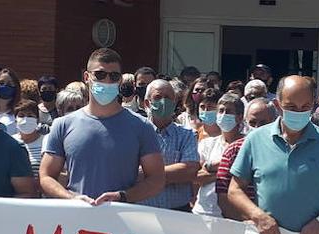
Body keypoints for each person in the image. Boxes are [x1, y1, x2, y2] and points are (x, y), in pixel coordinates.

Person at [228, 75, 319, 234]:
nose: (299, 112)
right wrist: (257, 216)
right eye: (291, 107)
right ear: (277, 105)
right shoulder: (255, 139)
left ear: (313, 106)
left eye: (305, 107)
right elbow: (234, 190)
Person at [40, 48, 165, 205]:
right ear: (87, 77)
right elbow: (46, 176)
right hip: (77, 215)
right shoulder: (63, 125)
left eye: (114, 76)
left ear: (120, 80)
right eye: (100, 75)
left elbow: (156, 179)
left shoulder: (142, 126)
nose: (107, 81)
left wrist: (123, 196)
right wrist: (71, 198)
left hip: (122, 217)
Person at [138, 79, 200, 212]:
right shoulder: (135, 134)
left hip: (178, 211)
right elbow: (128, 172)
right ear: (147, 103)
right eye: (158, 97)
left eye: (168, 98)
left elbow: (189, 170)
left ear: (174, 102)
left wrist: (147, 175)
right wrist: (173, 173)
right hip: (142, 211)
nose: (163, 101)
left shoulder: (187, 135)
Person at [216, 98, 277, 219]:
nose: (257, 127)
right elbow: (223, 196)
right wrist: (249, 222)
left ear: (274, 122)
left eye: (263, 123)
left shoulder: (284, 151)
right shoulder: (233, 151)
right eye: (252, 123)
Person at [194, 93, 244, 218]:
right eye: (221, 111)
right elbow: (197, 178)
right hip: (204, 211)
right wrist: (228, 170)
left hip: (233, 215)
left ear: (239, 117)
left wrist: (211, 168)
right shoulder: (207, 144)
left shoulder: (247, 145)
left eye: (229, 112)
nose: (223, 115)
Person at [12, 100, 45, 177]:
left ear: (37, 119)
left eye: (30, 116)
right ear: (15, 119)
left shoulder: (46, 142)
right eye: (21, 115)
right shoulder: (10, 142)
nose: (25, 119)